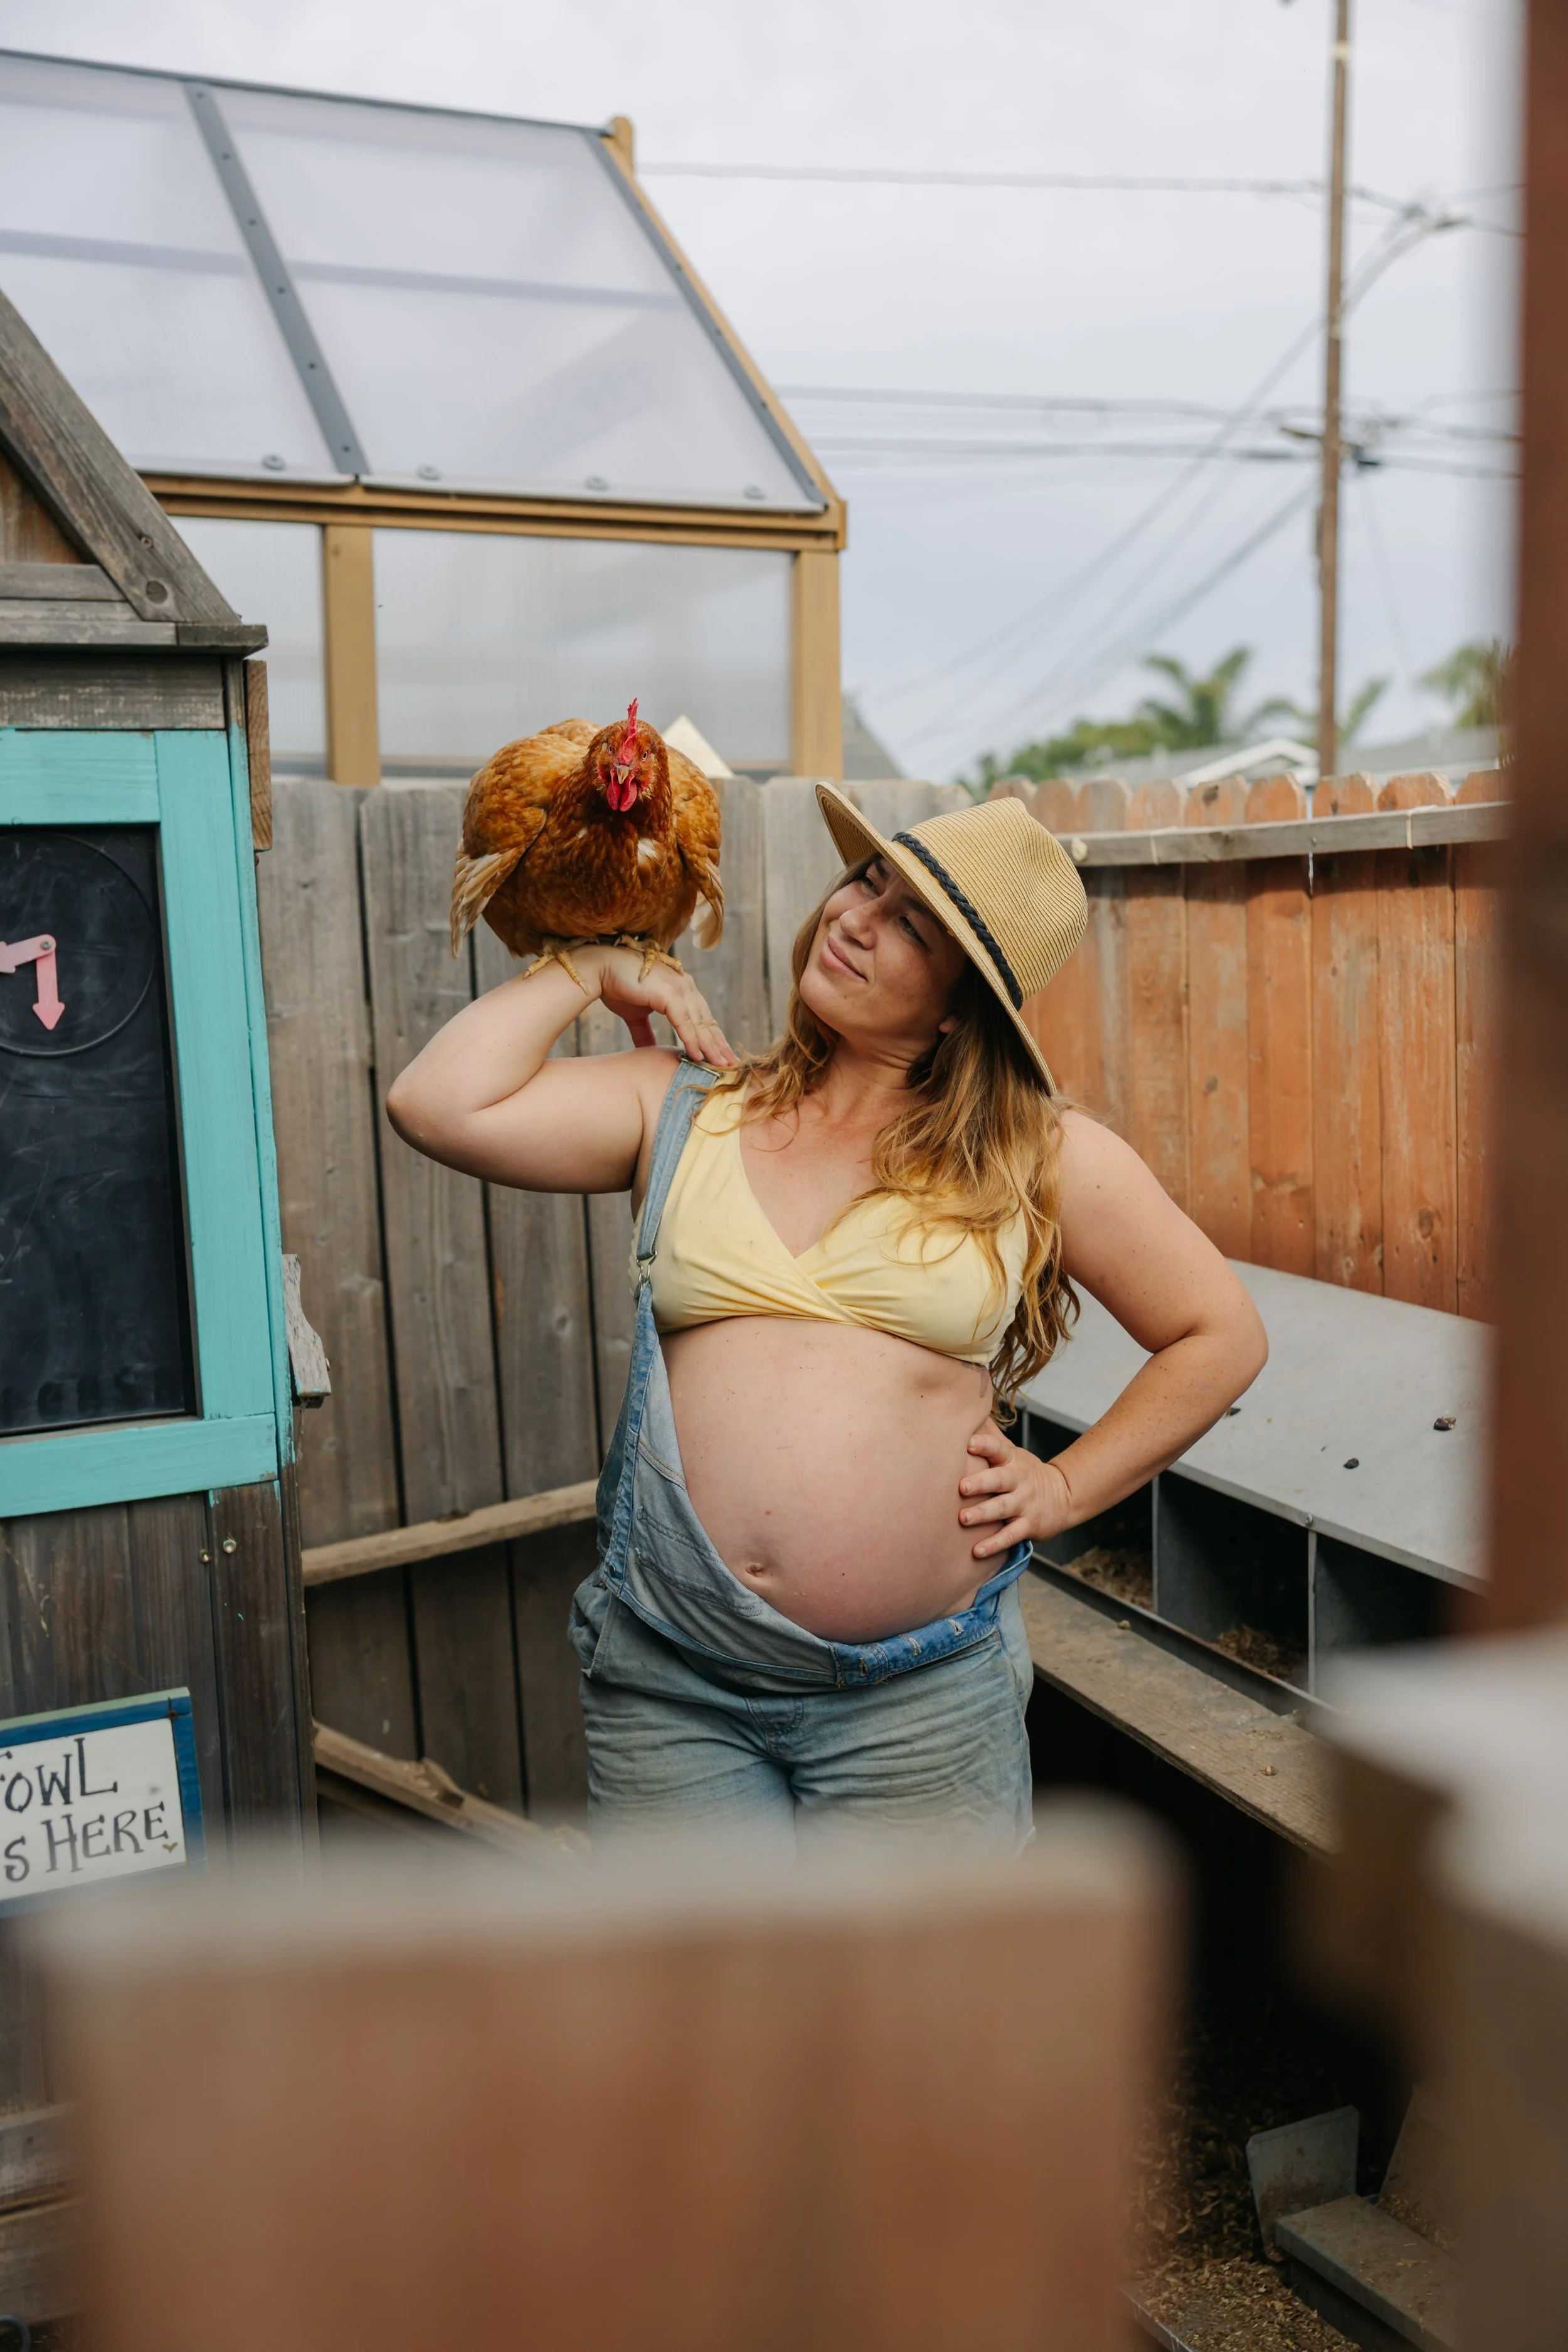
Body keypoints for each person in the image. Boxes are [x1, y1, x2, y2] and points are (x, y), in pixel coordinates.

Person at [388, 787, 1266, 1855]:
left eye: (911, 926)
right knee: (707, 2020)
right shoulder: (686, 1102)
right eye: (869, 881)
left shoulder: (1039, 1155)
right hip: (675, 1683)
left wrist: (1067, 1483)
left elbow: (1219, 1334)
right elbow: (436, 1102)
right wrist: (595, 968)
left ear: (959, 1007)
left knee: (914, 2020)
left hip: (919, 1699)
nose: (857, 916)